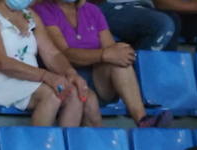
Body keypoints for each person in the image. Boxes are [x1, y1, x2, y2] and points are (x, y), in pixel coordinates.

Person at [35, 0, 170, 126]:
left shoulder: (92, 10)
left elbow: (112, 49)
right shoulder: (44, 10)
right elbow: (63, 54)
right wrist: (103, 55)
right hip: (66, 74)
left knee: (120, 62)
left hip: (96, 78)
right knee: (89, 104)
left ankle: (142, 120)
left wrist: (116, 52)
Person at [0, 0, 93, 126]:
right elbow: (1, 62)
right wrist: (46, 76)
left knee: (72, 94)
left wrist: (71, 73)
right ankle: (39, 147)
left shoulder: (29, 14)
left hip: (25, 80)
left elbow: (52, 53)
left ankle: (62, 147)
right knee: (52, 94)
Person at [92, 0, 175, 49]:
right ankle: (136, 72)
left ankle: (159, 75)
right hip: (107, 5)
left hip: (144, 6)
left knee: (174, 19)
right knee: (161, 24)